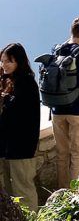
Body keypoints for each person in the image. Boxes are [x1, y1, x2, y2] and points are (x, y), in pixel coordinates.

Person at [51, 16, 79, 189]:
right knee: (77, 153)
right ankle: (75, 192)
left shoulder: (56, 49)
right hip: (76, 109)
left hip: (56, 109)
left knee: (62, 153)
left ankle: (62, 191)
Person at [0, 43, 40, 211]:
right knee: (9, 192)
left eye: (9, 61)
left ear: (19, 61)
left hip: (21, 147)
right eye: (2, 61)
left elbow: (17, 114)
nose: (4, 65)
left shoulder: (27, 83)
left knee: (23, 190)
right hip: (7, 146)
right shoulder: (9, 82)